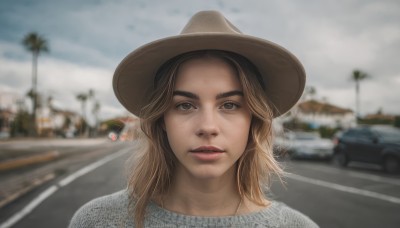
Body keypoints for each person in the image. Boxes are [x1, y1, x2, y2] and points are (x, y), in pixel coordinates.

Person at [69, 10, 319, 228]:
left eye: (230, 105)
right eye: (185, 105)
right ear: (161, 121)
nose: (207, 127)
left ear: (253, 120)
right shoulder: (97, 221)